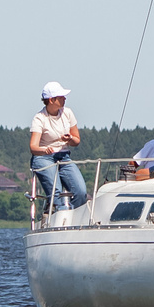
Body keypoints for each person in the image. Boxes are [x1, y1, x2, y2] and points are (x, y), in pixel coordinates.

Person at [29, 83, 88, 213]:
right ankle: (56, 213)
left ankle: (75, 218)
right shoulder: (39, 118)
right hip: (43, 158)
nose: (64, 99)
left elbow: (76, 140)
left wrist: (70, 139)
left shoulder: (68, 113)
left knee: (80, 191)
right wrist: (45, 150)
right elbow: (33, 147)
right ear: (51, 100)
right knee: (56, 192)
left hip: (63, 156)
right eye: (61, 97)